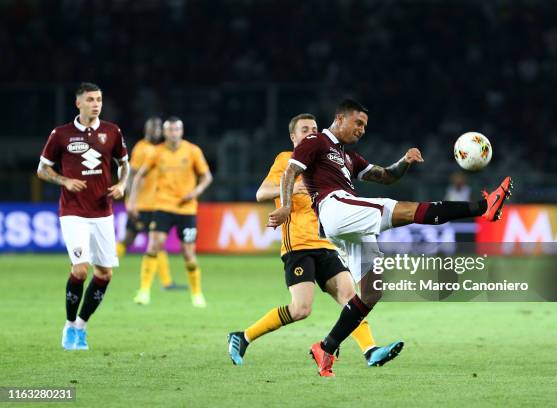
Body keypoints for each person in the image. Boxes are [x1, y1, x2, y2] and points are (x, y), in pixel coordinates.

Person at [268, 99, 513, 376]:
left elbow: (385, 176)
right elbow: (290, 171)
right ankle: (483, 208)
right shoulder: (316, 141)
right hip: (335, 206)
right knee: (404, 210)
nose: (361, 130)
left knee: (372, 291)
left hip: (346, 220)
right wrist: (286, 205)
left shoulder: (348, 157)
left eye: (365, 126)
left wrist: (405, 162)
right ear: (340, 118)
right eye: (357, 123)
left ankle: (326, 347)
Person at [228, 113, 403, 367]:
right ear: (293, 137)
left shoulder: (327, 161)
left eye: (314, 128)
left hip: (326, 244)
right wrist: (290, 189)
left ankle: (370, 350)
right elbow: (261, 193)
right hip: (298, 245)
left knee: (349, 296)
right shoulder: (285, 160)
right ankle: (243, 337)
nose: (311, 132)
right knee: (301, 309)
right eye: (304, 129)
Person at [37, 82, 130, 350]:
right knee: (80, 269)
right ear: (78, 103)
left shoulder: (112, 132)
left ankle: (81, 326)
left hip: (103, 212)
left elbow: (124, 164)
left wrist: (122, 185)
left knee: (105, 274)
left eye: (99, 99)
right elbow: (42, 170)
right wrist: (64, 181)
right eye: (90, 99)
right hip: (73, 211)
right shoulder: (61, 134)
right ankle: (68, 327)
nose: (96, 104)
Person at [128, 117, 213, 307]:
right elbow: (139, 175)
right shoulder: (157, 153)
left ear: (181, 132)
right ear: (165, 133)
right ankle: (143, 291)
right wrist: (132, 201)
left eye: (177, 130)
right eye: (170, 130)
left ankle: (197, 293)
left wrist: (196, 192)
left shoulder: (192, 151)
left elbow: (206, 176)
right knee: (154, 245)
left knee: (188, 253)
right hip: (163, 206)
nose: (173, 133)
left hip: (187, 209)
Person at [118, 117, 185, 291]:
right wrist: (130, 200)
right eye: (152, 127)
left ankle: (103, 271)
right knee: (154, 243)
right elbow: (132, 175)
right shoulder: (142, 148)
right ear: (146, 130)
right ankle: (167, 283)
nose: (155, 130)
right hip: (144, 204)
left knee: (129, 238)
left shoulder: (159, 150)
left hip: (153, 202)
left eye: (157, 127)